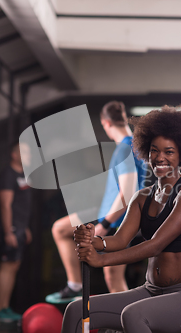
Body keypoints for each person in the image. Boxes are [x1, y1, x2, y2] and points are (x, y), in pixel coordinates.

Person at [62, 106, 181, 333]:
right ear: (146, 151)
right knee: (76, 311)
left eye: (169, 152)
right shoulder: (142, 197)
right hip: (152, 289)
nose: (160, 157)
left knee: (134, 315)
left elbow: (155, 245)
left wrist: (101, 260)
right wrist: (92, 241)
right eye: (154, 150)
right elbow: (120, 240)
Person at [46, 101, 146, 302]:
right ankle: (75, 284)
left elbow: (127, 194)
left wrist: (105, 224)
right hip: (107, 212)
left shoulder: (125, 148)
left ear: (106, 123)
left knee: (114, 278)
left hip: (117, 220)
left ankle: (128, 322)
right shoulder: (132, 147)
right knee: (61, 229)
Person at [0, 142, 32, 322]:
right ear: (14, 155)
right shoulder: (8, 175)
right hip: (10, 230)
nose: (29, 155)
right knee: (6, 267)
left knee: (13, 267)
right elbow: (5, 206)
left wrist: (25, 228)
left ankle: (5, 307)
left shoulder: (22, 175)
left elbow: (20, 206)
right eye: (25, 152)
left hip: (20, 228)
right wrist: (9, 232)